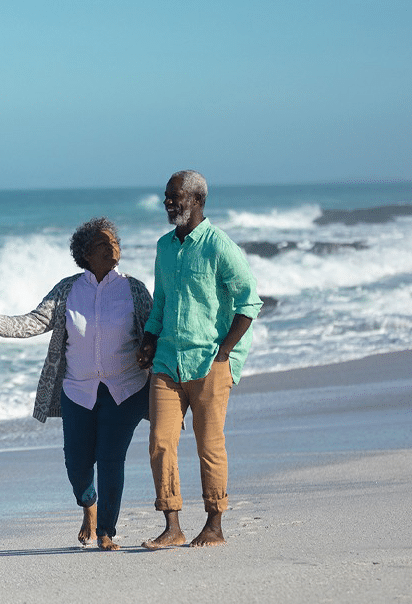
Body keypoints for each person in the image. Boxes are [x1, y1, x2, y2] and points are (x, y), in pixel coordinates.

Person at [0, 217, 152, 551]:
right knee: (77, 466)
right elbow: (37, 320)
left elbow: (153, 329)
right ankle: (89, 507)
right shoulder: (69, 289)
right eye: (102, 244)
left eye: (114, 242)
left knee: (112, 459)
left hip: (125, 389)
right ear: (85, 254)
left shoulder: (133, 289)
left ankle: (107, 531)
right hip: (77, 391)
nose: (112, 248)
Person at [137, 171, 263, 548]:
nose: (168, 203)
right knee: (160, 441)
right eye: (166, 197)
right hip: (167, 360)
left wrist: (224, 352)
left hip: (209, 361)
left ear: (197, 200)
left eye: (175, 197)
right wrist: (148, 339)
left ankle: (214, 524)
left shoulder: (219, 246)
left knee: (209, 444)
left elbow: (249, 302)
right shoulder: (164, 247)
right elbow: (160, 303)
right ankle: (172, 526)